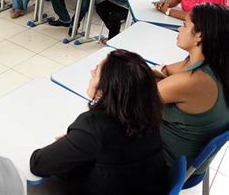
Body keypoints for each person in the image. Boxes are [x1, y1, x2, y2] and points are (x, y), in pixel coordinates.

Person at [29, 49, 168, 195]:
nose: (90, 73)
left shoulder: (94, 126)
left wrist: (75, 141)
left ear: (104, 88)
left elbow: (38, 164)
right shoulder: (149, 112)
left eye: (95, 72)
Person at [153, 3, 229, 173]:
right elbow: (166, 70)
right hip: (191, 159)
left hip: (165, 165)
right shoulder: (216, 64)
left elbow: (131, 97)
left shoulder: (193, 81)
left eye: (185, 25)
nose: (180, 29)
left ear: (199, 36)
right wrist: (160, 75)